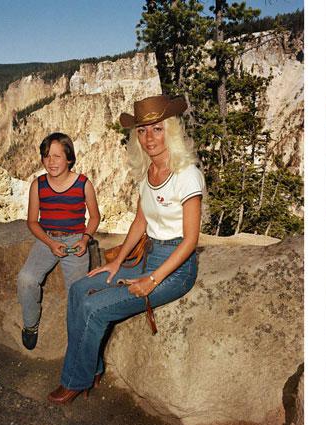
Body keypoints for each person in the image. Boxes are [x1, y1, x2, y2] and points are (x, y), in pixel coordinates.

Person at [48, 94, 203, 404]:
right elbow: (139, 223)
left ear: (170, 130)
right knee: (80, 290)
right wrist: (117, 262)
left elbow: (190, 240)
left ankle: (75, 380)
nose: (149, 138)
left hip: (175, 270)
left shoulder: (187, 175)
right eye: (143, 131)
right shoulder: (149, 175)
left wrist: (153, 279)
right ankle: (91, 367)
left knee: (94, 308)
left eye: (157, 129)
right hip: (146, 255)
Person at [17, 132, 100, 350]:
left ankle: (77, 339)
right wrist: (50, 243)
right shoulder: (39, 185)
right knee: (26, 278)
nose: (50, 162)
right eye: (46, 156)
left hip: (75, 242)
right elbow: (33, 222)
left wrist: (85, 239)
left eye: (57, 156)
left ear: (69, 158)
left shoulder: (83, 184)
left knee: (76, 293)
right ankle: (30, 324)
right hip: (47, 239)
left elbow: (95, 217)